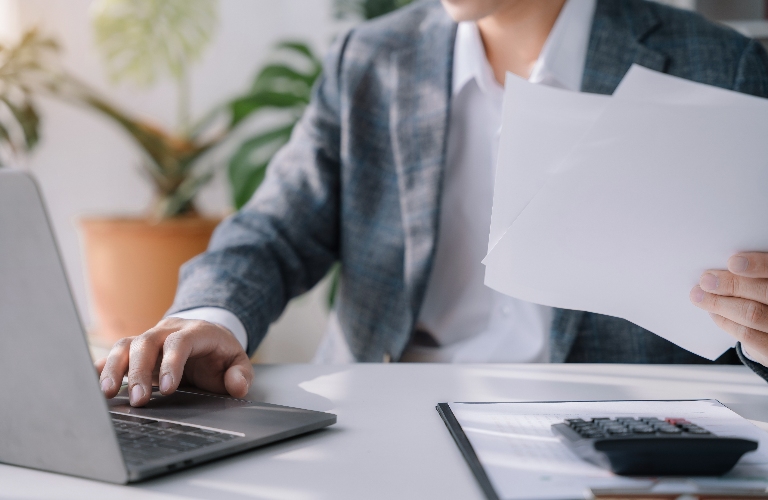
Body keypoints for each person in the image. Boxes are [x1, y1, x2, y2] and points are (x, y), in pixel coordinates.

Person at [97, 0, 768, 407]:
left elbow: (750, 299)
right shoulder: (371, 59)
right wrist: (212, 317)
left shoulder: (720, 67)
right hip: (381, 414)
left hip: (602, 438)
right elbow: (273, 230)